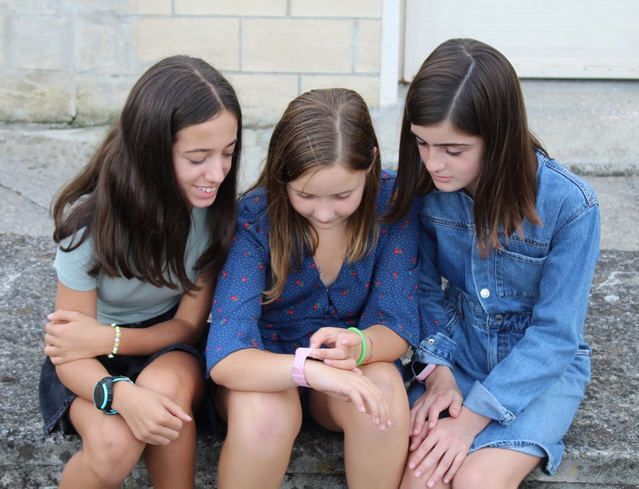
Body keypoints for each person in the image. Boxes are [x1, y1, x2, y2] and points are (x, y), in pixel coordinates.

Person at [387, 38, 600, 489]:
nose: (432, 162)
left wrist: (469, 422)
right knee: (422, 475)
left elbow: (555, 336)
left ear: (497, 138)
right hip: (458, 353)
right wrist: (439, 373)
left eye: (453, 150)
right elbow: (421, 290)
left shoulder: (571, 206)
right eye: (422, 143)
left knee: (475, 481)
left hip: (537, 374)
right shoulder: (423, 188)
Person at [39, 55, 242, 489]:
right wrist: (119, 392)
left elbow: (188, 325)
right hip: (87, 362)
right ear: (151, 153)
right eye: (198, 157)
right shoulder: (89, 228)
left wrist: (112, 338)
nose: (218, 173)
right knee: (113, 445)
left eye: (228, 153)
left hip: (167, 346)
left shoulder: (213, 217)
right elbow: (69, 350)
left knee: (166, 396)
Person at [205, 88, 420, 489]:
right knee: (265, 417)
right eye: (305, 195)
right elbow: (226, 355)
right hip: (263, 373)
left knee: (383, 394)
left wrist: (361, 345)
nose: (324, 213)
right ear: (282, 174)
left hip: (343, 372)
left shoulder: (391, 203)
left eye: (343, 195)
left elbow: (398, 323)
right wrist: (306, 372)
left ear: (371, 163)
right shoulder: (255, 217)